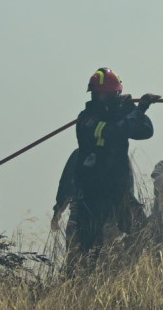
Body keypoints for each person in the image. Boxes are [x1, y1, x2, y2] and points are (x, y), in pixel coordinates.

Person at [54, 67, 157, 267]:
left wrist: (130, 110)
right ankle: (80, 283)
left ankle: (124, 271)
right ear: (97, 94)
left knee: (141, 230)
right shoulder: (87, 119)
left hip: (118, 191)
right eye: (109, 94)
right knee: (88, 248)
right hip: (93, 193)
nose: (111, 97)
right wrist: (137, 110)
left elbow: (145, 131)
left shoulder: (120, 114)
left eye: (115, 94)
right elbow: (112, 132)